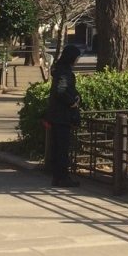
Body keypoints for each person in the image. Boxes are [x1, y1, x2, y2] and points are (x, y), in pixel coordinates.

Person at [47, 44, 82, 188]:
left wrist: (76, 96)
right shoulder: (65, 72)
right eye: (77, 57)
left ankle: (57, 177)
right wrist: (72, 102)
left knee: (57, 147)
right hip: (63, 116)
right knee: (62, 147)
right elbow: (61, 91)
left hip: (56, 115)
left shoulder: (59, 70)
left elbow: (66, 89)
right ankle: (63, 177)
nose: (77, 60)